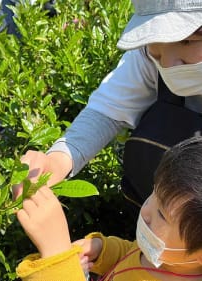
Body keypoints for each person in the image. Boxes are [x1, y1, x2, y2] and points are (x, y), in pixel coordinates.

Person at [15, 0, 202, 209]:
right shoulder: (146, 58)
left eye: (186, 41)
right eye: (156, 49)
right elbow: (106, 111)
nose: (168, 63)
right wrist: (57, 161)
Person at [16, 136, 202, 281]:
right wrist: (103, 251)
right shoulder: (164, 256)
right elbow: (132, 253)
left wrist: (56, 254)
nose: (145, 210)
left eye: (161, 214)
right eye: (153, 192)